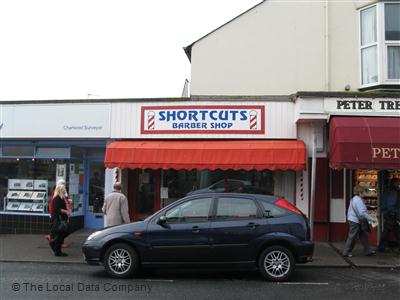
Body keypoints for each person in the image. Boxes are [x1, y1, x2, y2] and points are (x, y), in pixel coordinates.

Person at [343, 186, 376, 257]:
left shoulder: (354, 199)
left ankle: (368, 251)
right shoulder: (359, 201)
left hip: (353, 219)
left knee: (363, 235)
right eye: (364, 192)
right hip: (355, 221)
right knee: (352, 237)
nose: (365, 193)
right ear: (360, 193)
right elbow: (362, 213)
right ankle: (346, 251)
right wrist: (372, 219)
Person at [378, 178, 400, 252]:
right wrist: (394, 214)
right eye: (397, 183)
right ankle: (381, 247)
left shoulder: (387, 190)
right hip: (391, 214)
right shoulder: (393, 192)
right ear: (394, 183)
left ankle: (382, 246)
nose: (398, 185)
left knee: (395, 230)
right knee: (388, 231)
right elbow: (391, 204)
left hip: (388, 213)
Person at [49, 184, 70, 256]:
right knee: (60, 234)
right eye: (64, 191)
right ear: (61, 191)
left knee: (61, 234)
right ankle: (57, 251)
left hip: (60, 219)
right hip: (58, 220)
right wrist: (66, 211)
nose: (65, 192)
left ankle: (55, 245)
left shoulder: (60, 198)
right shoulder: (57, 199)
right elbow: (58, 209)